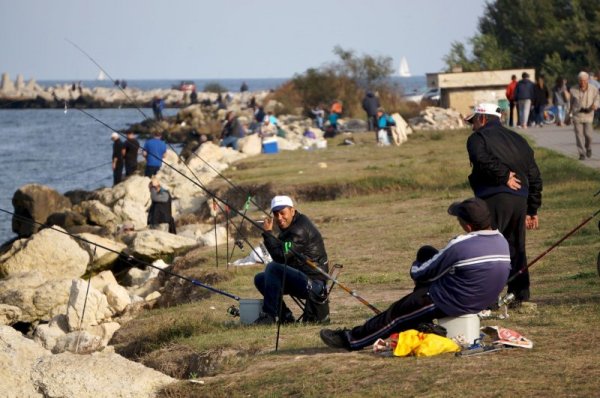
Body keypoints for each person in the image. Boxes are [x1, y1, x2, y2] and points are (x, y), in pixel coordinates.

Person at [320, 197, 511, 351]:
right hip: (482, 298)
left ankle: (351, 339)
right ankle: (423, 322)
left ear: (468, 226)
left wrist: (415, 265)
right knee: (427, 251)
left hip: (452, 300)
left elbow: (420, 273)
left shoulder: (461, 245)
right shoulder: (501, 241)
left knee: (396, 313)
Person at [465, 103, 543, 305]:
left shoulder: (477, 138)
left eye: (473, 121)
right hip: (519, 201)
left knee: (490, 246)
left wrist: (503, 176)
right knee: (517, 246)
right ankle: (520, 294)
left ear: (482, 119)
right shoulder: (519, 139)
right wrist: (532, 208)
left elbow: (481, 159)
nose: (472, 126)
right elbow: (534, 175)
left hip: (492, 198)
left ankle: (488, 298)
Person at [254, 195, 330, 325]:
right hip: (301, 276)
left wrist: (267, 234)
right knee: (260, 278)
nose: (279, 218)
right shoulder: (292, 225)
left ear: (292, 211)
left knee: (273, 267)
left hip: (314, 284)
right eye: (276, 214)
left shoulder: (298, 230)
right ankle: (285, 316)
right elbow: (283, 251)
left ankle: (269, 315)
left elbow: (280, 257)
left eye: (283, 213)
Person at [569, 71, 600, 160]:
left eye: (584, 81)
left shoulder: (593, 89)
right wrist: (568, 116)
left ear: (588, 80)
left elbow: (597, 99)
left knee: (588, 135)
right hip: (577, 115)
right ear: (578, 81)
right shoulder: (573, 89)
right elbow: (570, 103)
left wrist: (595, 105)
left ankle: (588, 148)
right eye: (581, 81)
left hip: (589, 114)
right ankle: (582, 153)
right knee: (579, 135)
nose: (582, 83)